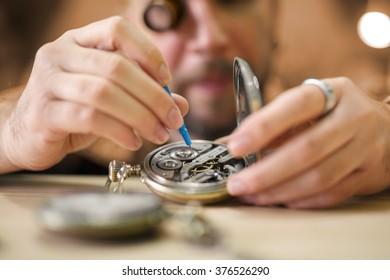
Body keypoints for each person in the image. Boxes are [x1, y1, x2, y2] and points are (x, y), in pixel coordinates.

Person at [0, 0, 389, 209]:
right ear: (129, 26)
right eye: (169, 9)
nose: (210, 38)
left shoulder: (363, 135)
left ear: (273, 20)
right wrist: (11, 132)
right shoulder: (69, 156)